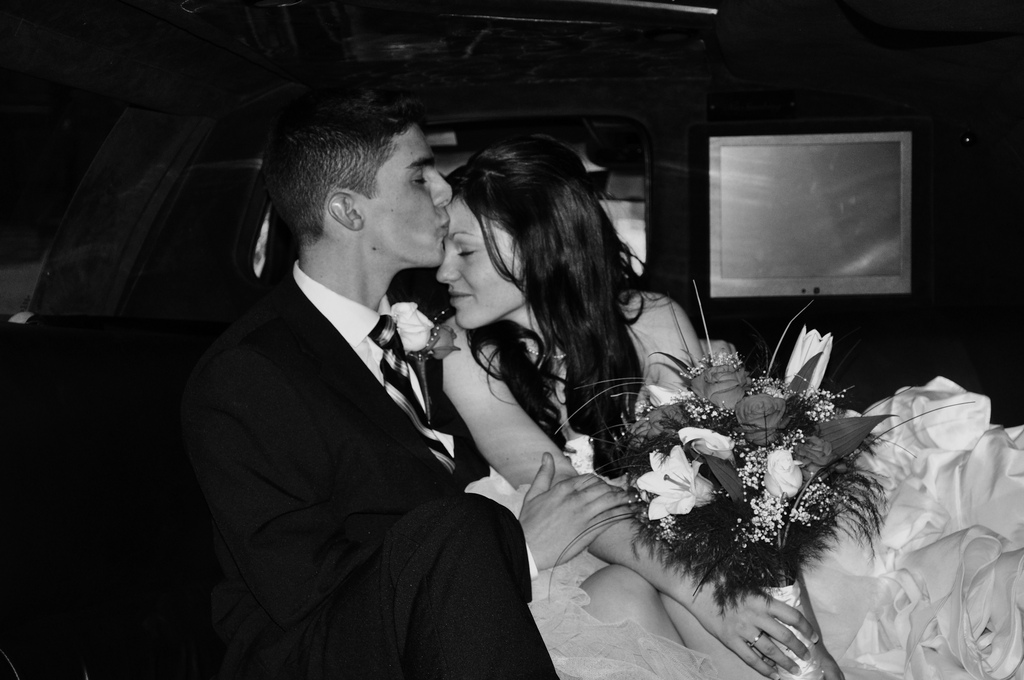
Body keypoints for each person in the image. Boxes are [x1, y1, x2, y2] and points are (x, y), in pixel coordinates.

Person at [181, 89, 634, 680]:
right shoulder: (249, 375)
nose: (446, 190)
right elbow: (301, 587)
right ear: (348, 212)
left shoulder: (433, 321)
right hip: (331, 653)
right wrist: (516, 550)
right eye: (421, 177)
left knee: (630, 596)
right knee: (462, 526)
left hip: (468, 619)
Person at [436, 135, 842, 680]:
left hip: (687, 552)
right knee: (628, 592)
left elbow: (738, 489)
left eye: (463, 250)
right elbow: (571, 499)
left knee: (725, 573)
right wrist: (706, 596)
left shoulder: (655, 320)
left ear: (539, 244)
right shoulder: (466, 355)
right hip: (568, 561)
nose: (443, 271)